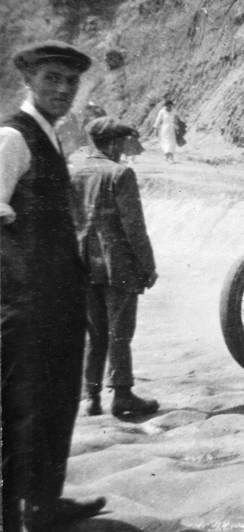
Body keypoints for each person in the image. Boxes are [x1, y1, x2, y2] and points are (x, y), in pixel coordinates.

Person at [1, 41, 106, 532]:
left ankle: (44, 502)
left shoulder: (49, 136)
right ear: (29, 79)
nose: (62, 89)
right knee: (20, 411)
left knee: (58, 397)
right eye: (51, 79)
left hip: (59, 298)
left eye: (70, 81)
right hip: (24, 304)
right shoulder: (11, 138)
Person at [71, 117, 160, 419]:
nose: (123, 148)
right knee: (120, 332)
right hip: (118, 267)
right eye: (121, 142)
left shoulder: (76, 173)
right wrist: (148, 266)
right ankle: (121, 395)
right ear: (110, 143)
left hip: (84, 267)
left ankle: (90, 398)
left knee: (94, 334)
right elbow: (134, 227)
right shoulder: (121, 174)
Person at [153, 99, 178, 163]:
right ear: (165, 106)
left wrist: (176, 127)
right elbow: (158, 120)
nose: (169, 107)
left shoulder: (174, 111)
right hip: (165, 129)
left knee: (172, 142)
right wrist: (156, 129)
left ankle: (171, 157)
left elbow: (176, 119)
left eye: (170, 106)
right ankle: (167, 156)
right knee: (166, 142)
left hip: (172, 129)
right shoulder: (162, 111)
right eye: (168, 106)